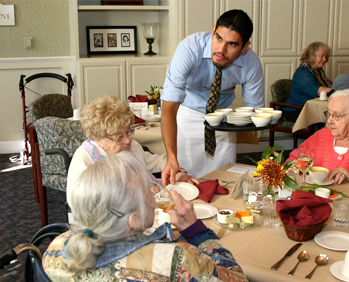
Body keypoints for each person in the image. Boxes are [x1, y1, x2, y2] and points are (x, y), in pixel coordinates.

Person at [44, 152, 247, 281]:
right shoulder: (176, 259)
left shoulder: (55, 250)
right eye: (147, 193)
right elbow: (236, 279)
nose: (153, 196)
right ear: (135, 220)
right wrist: (196, 231)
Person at [161, 9, 264, 184]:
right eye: (218, 38)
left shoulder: (251, 63)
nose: (221, 50)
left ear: (245, 46)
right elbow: (169, 107)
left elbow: (255, 110)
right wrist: (171, 157)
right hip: (188, 114)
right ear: (213, 30)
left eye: (232, 44)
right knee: (186, 181)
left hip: (223, 119)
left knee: (224, 180)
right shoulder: (189, 49)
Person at [67, 95, 198, 203]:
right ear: (98, 139)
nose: (127, 140)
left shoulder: (131, 147)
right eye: (119, 137)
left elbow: (158, 162)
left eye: (128, 132)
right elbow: (81, 204)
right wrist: (136, 194)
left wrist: (178, 174)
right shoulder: (85, 160)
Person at [282, 42, 333, 122]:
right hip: (295, 110)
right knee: (329, 119)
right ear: (312, 56)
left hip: (309, 109)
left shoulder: (318, 71)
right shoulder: (303, 72)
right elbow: (318, 90)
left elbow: (326, 85)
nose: (325, 60)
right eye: (322, 56)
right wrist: (339, 90)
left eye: (326, 56)